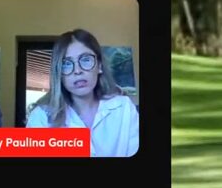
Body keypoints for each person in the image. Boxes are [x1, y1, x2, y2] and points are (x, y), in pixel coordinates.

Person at [26, 29, 138, 157]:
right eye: (66, 64)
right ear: (59, 74)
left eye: (85, 60)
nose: (77, 71)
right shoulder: (41, 118)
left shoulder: (124, 109)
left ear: (99, 66)